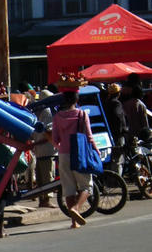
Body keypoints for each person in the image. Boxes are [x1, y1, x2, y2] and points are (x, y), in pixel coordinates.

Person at [51, 89, 100, 228]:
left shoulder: (57, 117)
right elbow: (89, 137)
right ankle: (76, 208)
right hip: (79, 154)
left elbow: (55, 139)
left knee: (68, 188)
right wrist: (96, 151)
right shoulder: (82, 114)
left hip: (63, 154)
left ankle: (74, 222)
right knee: (86, 186)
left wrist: (61, 147)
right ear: (76, 100)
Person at [32, 89, 57, 207]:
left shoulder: (39, 111)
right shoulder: (47, 111)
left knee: (43, 176)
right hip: (46, 148)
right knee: (47, 176)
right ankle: (45, 200)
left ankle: (43, 199)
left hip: (41, 148)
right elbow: (48, 130)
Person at [102, 83, 128, 167]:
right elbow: (118, 117)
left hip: (109, 133)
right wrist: (123, 130)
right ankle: (116, 179)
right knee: (118, 160)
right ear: (118, 93)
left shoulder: (106, 103)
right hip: (117, 135)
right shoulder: (116, 103)